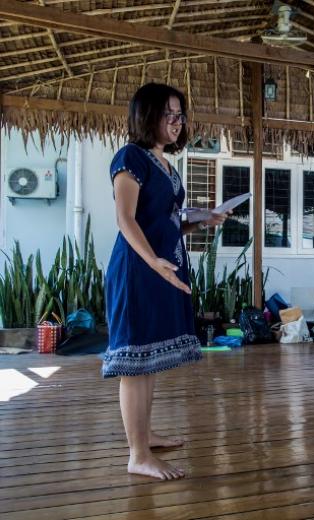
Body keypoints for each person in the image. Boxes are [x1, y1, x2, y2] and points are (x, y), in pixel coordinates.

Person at [103, 83, 229, 480]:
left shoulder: (167, 166)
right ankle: (138, 454)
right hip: (138, 269)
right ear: (147, 117)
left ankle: (145, 435)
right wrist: (154, 262)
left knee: (148, 361)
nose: (177, 123)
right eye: (168, 115)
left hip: (161, 267)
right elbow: (126, 218)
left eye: (180, 116)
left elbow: (166, 223)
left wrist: (200, 220)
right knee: (134, 363)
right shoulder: (131, 157)